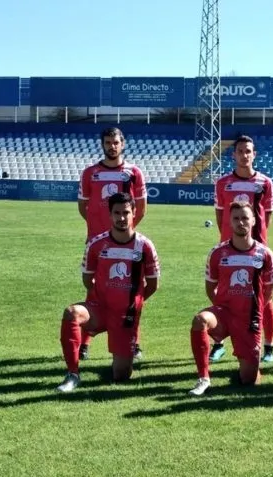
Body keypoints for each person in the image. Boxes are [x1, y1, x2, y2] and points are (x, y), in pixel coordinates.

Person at [56, 192, 160, 393]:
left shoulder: (145, 246)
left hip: (125, 316)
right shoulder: (96, 244)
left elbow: (153, 285)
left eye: (126, 213)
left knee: (121, 376)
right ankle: (72, 374)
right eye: (117, 213)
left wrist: (133, 304)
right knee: (72, 313)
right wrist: (103, 298)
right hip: (100, 310)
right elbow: (88, 279)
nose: (122, 218)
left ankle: (119, 360)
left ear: (134, 213)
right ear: (110, 215)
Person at [188, 201, 273, 396]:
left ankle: (249, 364)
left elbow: (269, 291)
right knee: (200, 320)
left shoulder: (265, 254)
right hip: (224, 313)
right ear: (229, 221)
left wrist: (256, 312)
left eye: (245, 218)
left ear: (253, 221)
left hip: (249, 318)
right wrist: (222, 307)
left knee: (249, 380)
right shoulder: (218, 253)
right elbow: (211, 288)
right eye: (236, 218)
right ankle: (203, 378)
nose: (241, 223)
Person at [77, 127, 148, 361]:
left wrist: (123, 233)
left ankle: (133, 342)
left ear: (123, 144)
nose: (112, 146)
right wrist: (99, 232)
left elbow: (141, 208)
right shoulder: (90, 173)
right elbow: (83, 207)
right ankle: (84, 343)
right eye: (108, 142)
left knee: (132, 294)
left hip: (127, 245)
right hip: (98, 244)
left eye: (116, 142)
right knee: (93, 290)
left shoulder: (134, 173)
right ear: (102, 144)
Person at [209, 135, 273, 364]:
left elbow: (266, 218)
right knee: (224, 294)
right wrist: (229, 239)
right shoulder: (223, 183)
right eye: (240, 151)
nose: (244, 155)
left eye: (248, 151)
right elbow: (221, 217)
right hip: (229, 249)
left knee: (264, 297)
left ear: (254, 154)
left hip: (256, 249)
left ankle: (268, 346)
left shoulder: (265, 183)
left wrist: (255, 240)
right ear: (234, 154)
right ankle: (219, 343)